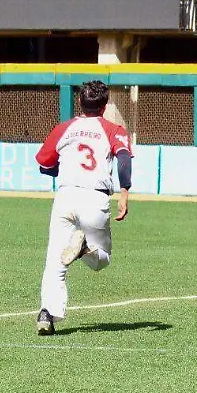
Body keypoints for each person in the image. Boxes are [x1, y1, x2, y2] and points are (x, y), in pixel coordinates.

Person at [34, 80, 132, 336]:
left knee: (54, 261)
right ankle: (85, 249)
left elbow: (44, 164)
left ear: (79, 101)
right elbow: (123, 158)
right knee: (101, 261)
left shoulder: (64, 128)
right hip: (94, 198)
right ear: (105, 105)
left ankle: (47, 313)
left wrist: (64, 168)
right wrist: (124, 191)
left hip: (66, 196)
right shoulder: (113, 129)